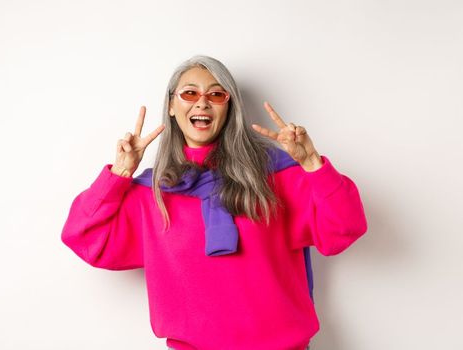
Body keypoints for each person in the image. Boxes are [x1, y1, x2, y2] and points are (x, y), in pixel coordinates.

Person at [59, 55, 368, 350]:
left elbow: (345, 227)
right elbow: (83, 237)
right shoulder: (151, 193)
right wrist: (120, 172)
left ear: (229, 106)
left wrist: (312, 163)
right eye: (189, 93)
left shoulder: (276, 175)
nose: (202, 102)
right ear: (170, 106)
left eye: (216, 94)